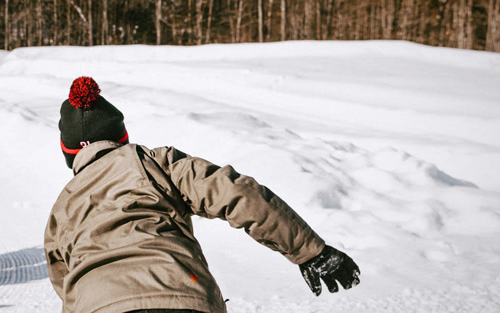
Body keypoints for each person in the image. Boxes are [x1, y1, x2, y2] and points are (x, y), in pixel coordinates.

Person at [45, 76, 361, 313]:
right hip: (181, 297)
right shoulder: (154, 163)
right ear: (121, 137)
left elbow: (64, 282)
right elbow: (236, 193)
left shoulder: (61, 208)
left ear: (68, 153)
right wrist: (309, 250)